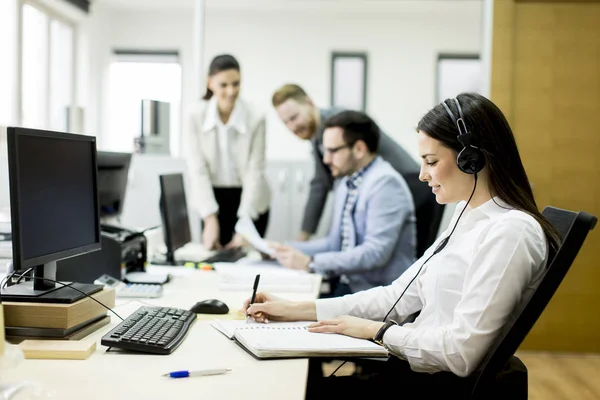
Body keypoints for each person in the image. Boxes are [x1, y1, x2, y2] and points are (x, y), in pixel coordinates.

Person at [245, 93, 561, 398]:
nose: (422, 175)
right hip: (410, 370)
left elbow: (461, 354)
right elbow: (395, 296)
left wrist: (377, 332)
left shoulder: (511, 232)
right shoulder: (466, 217)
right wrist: (293, 310)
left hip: (434, 384)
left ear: (471, 159)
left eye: (431, 161)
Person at [272, 110, 416, 296]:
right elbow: (334, 243)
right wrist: (284, 249)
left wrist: (310, 262)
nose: (325, 159)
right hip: (347, 286)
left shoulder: (385, 184)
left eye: (332, 151)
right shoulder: (346, 182)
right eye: (325, 151)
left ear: (358, 149)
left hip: (376, 294)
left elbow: (375, 253)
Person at [272, 84, 419, 241]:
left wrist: (309, 244)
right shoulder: (318, 134)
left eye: (294, 117)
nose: (292, 127)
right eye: (286, 122)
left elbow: (322, 185)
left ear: (309, 103)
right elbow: (321, 184)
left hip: (411, 186)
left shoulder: (337, 125)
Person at [183, 54, 271, 250]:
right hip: (212, 198)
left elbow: (255, 171)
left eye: (236, 84)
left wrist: (245, 223)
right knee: (215, 258)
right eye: (223, 85)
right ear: (210, 83)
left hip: (251, 199)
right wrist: (209, 217)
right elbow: (197, 169)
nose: (231, 91)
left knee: (245, 259)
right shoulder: (195, 115)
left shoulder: (256, 117)